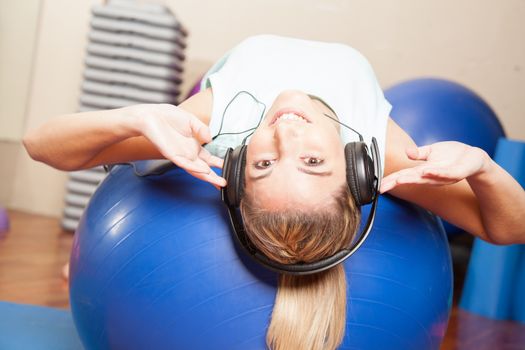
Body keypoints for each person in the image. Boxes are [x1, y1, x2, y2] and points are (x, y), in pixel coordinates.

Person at [24, 35, 525, 350]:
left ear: (238, 166)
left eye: (264, 164)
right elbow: (509, 227)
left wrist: (132, 117)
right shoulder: (380, 149)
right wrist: (482, 169)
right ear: (356, 173)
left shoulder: (216, 126)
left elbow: (42, 146)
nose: (286, 135)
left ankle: (79, 265)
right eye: (312, 162)